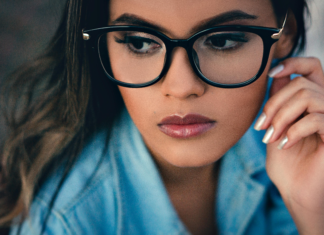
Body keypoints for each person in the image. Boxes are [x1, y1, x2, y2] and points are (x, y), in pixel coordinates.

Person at [1, 0, 324, 234]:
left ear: (285, 35)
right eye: (141, 43)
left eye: (222, 40)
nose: (181, 87)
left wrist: (311, 210)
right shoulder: (64, 221)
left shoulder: (302, 143)